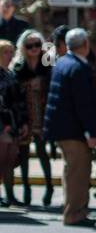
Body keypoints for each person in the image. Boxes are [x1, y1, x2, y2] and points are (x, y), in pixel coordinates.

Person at [43, 28, 96, 227]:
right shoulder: (78, 68)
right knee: (78, 172)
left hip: (62, 128)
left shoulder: (62, 63)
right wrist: (92, 132)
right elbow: (84, 105)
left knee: (71, 170)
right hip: (73, 130)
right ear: (85, 44)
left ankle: (74, 209)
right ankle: (74, 213)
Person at [11, 31, 53, 207]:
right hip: (25, 116)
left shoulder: (47, 65)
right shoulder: (19, 68)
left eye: (37, 44)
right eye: (30, 46)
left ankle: (49, 186)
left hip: (43, 115)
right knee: (24, 153)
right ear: (23, 48)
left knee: (43, 153)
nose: (34, 48)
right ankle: (26, 186)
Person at [0, 40, 24, 206]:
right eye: (5, 52)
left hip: (14, 122)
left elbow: (18, 100)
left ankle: (10, 195)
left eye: (11, 52)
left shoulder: (11, 73)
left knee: (10, 161)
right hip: (2, 124)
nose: (9, 55)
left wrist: (22, 122)